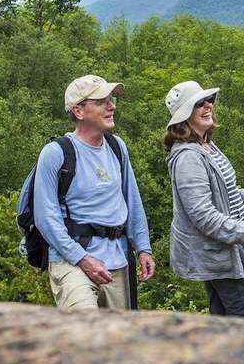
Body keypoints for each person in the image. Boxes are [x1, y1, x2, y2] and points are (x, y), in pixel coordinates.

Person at [34, 74, 156, 310]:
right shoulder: (55, 153)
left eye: (111, 100)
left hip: (117, 260)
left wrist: (143, 248)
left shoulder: (117, 147)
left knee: (116, 332)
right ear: (78, 111)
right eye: (101, 102)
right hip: (71, 260)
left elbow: (132, 200)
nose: (111, 106)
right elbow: (45, 218)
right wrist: (81, 258)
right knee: (84, 323)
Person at [164, 80, 244, 318]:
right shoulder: (188, 157)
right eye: (199, 103)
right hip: (216, 251)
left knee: (223, 315)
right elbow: (202, 215)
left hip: (224, 245)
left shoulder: (205, 145)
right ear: (185, 115)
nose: (208, 105)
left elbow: (225, 194)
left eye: (209, 100)